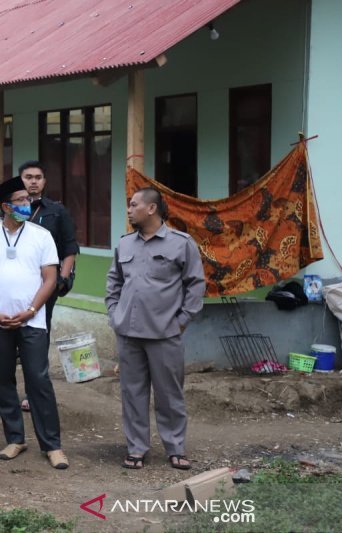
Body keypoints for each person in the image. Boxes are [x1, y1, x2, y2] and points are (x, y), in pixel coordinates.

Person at [105, 187, 205, 470]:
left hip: (165, 333)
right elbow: (114, 282)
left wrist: (182, 320)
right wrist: (115, 314)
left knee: (169, 394)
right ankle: (137, 448)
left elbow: (195, 284)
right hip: (128, 333)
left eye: (133, 204)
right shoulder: (125, 244)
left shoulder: (181, 243)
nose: (128, 209)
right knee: (132, 393)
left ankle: (175, 447)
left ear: (151, 209)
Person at [0, 176, 68, 470]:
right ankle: (15, 438)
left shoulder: (41, 236)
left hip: (33, 320)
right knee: (1, 379)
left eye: (28, 200)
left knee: (38, 379)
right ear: (5, 206)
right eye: (21, 201)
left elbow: (50, 278)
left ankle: (52, 445)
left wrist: (30, 310)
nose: (27, 204)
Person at [18, 160, 79, 412]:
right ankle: (3, 389)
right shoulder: (11, 209)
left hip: (46, 285)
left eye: (38, 177)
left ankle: (35, 393)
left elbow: (69, 247)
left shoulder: (56, 211)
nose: (33, 181)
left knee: (38, 337)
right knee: (11, 335)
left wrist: (62, 279)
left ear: (44, 181)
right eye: (28, 177)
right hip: (16, 284)